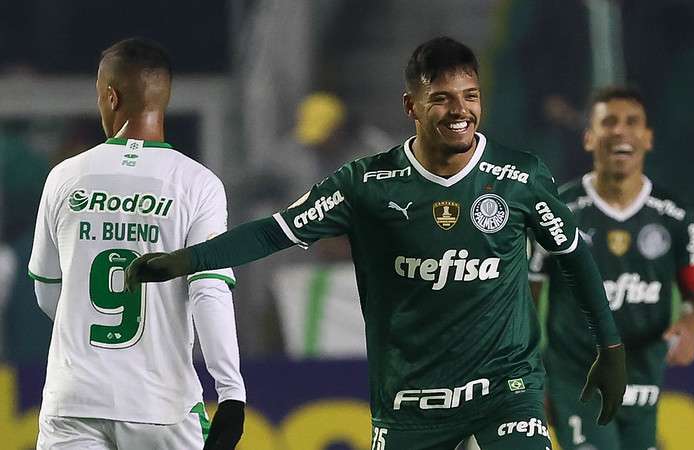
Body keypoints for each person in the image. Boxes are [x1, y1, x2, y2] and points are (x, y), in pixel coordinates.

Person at [126, 36, 626, 450]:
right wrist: (188, 259)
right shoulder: (365, 183)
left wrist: (610, 347)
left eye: (470, 96)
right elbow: (273, 231)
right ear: (411, 105)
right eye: (442, 99)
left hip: (506, 390)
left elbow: (572, 256)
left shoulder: (519, 176)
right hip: (410, 401)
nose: (460, 111)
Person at [28, 38, 246, 450]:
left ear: (110, 96)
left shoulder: (64, 177)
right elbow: (209, 291)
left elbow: (46, 292)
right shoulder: (197, 184)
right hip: (159, 404)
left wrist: (93, 345)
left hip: (73, 401)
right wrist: (231, 393)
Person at [528, 86, 694, 450]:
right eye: (608, 122)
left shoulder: (677, 218)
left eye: (632, 122)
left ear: (648, 138)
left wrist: (690, 325)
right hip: (575, 373)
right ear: (589, 138)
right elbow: (527, 297)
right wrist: (532, 375)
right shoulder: (557, 211)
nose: (620, 131)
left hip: (642, 370)